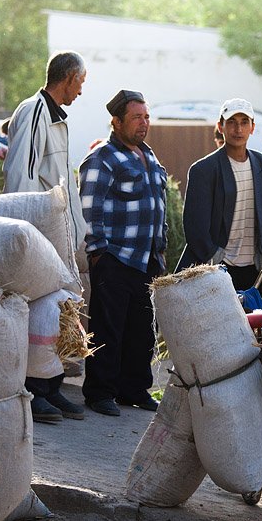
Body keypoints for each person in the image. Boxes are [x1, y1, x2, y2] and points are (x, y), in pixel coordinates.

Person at [3, 51, 87, 423]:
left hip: (56, 234)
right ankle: (33, 390)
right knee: (34, 308)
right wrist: (24, 236)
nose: (81, 92)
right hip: (37, 234)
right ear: (68, 78)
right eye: (81, 83)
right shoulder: (33, 111)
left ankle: (50, 387)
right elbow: (20, 178)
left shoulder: (56, 118)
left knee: (54, 310)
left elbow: (60, 181)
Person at [79, 90, 167, 417]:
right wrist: (99, 252)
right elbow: (90, 207)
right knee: (108, 328)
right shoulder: (102, 157)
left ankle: (135, 389)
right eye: (136, 117)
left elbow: (160, 205)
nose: (144, 123)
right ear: (116, 122)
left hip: (146, 258)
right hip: (115, 257)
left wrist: (162, 245)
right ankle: (100, 392)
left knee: (142, 328)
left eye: (146, 116)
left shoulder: (148, 155)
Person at [176, 98, 262, 303]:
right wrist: (214, 257)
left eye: (244, 122)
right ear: (221, 127)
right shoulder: (204, 169)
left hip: (256, 267)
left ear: (252, 128)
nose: (238, 128)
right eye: (231, 122)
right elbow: (194, 226)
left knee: (259, 331)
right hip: (218, 267)